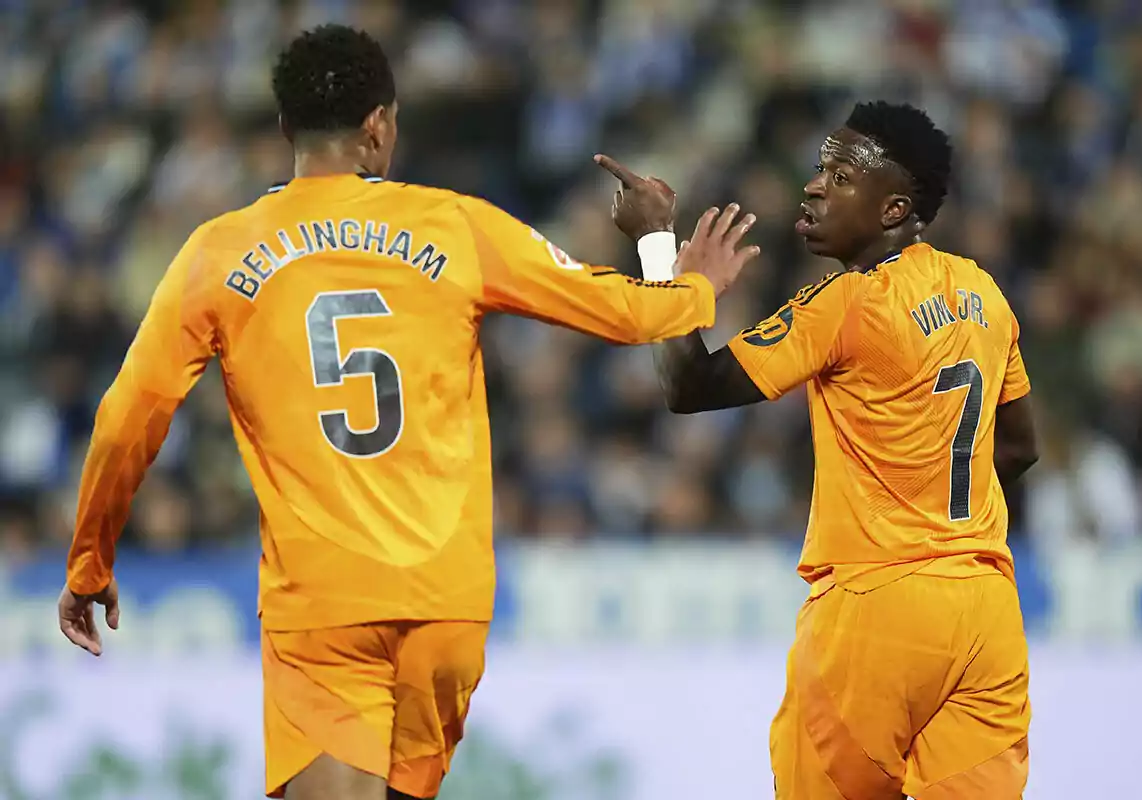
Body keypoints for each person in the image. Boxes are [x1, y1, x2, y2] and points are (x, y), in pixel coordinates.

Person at [56, 24, 759, 800]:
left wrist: (91, 559)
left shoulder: (217, 253)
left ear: (286, 128)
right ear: (380, 125)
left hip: (324, 604)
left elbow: (130, 414)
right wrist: (670, 255)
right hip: (446, 607)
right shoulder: (457, 226)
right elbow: (633, 316)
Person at [600, 101, 1039, 799]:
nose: (813, 186)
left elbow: (687, 384)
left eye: (840, 176)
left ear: (894, 209)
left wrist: (657, 246)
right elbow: (1017, 447)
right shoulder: (983, 293)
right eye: (818, 169)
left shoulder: (845, 305)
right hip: (985, 611)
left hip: (872, 612)